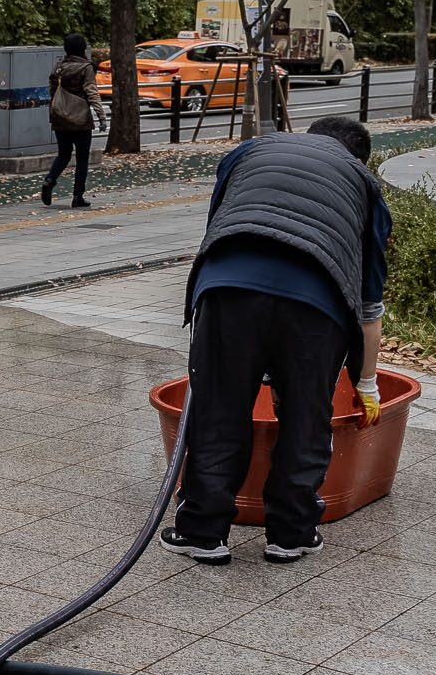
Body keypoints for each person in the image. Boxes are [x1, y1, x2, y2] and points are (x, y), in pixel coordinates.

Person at [162, 115, 391, 566]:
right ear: (359, 158)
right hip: (316, 305)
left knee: (218, 409)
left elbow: (219, 227)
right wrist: (366, 385)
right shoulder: (365, 186)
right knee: (307, 416)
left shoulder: (251, 151)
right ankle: (290, 534)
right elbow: (369, 306)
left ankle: (203, 532)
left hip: (228, 289)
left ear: (307, 139)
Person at [42, 33, 101, 209]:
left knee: (64, 154)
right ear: (82, 48)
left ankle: (50, 180)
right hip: (80, 118)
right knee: (82, 158)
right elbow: (91, 91)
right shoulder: (86, 68)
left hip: (60, 117)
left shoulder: (60, 66)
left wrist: (56, 102)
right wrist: (101, 115)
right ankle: (77, 197)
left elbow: (52, 85)